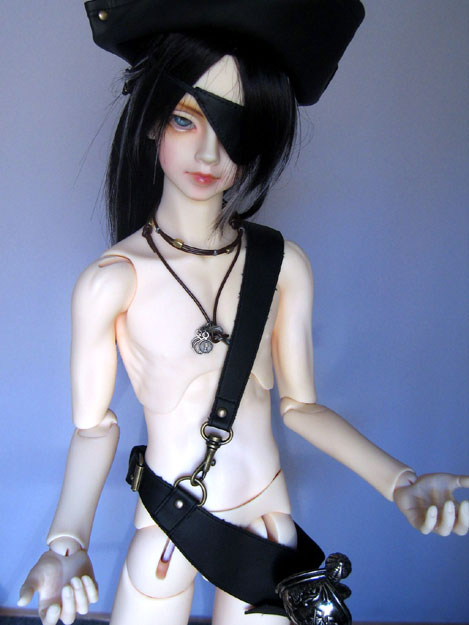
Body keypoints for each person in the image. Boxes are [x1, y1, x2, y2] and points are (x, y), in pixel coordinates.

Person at [18, 3, 469, 625]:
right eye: (185, 119)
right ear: (150, 122)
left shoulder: (282, 265)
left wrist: (400, 482)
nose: (209, 152)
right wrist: (66, 542)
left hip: (267, 525)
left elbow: (301, 407)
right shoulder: (112, 281)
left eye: (234, 128)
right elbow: (94, 428)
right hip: (170, 530)